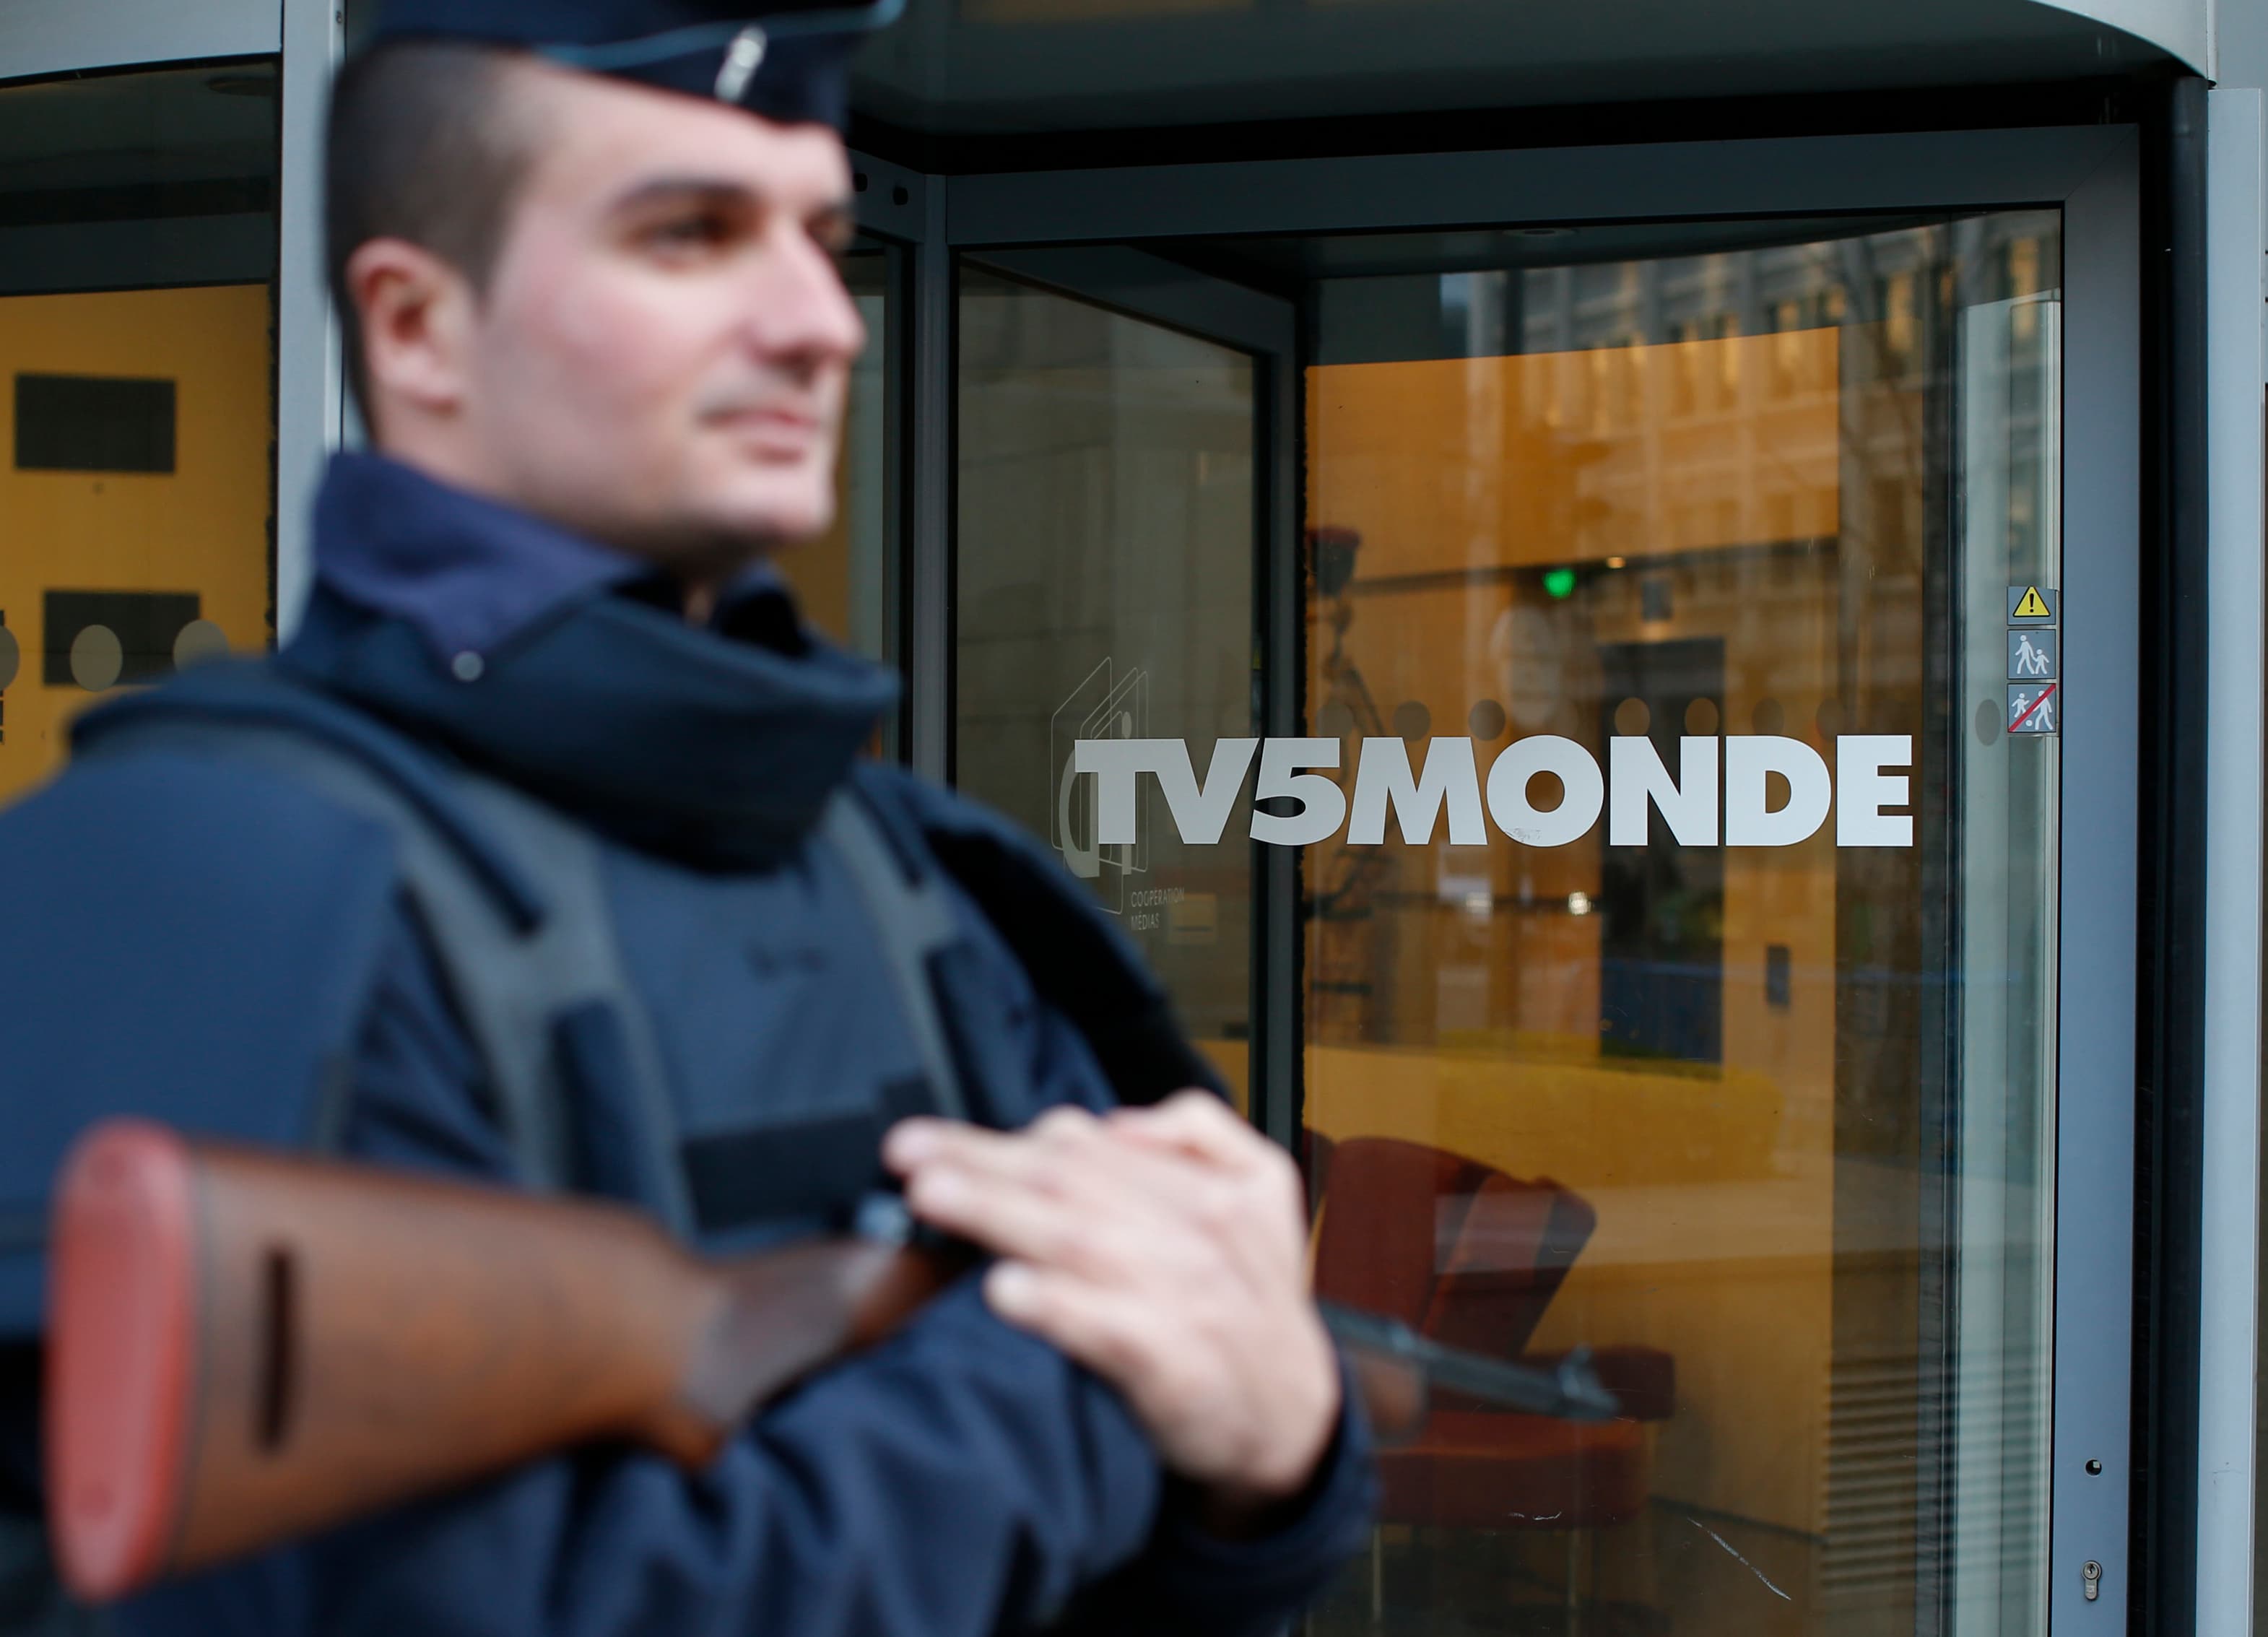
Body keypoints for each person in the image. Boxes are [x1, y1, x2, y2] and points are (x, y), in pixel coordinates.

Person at [0, 3, 1374, 1632]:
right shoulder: (189, 885)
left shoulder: (926, 883)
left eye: (817, 235)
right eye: (689, 235)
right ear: (418, 328)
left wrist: (1272, 1460)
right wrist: (1070, 1374)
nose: (817, 322)